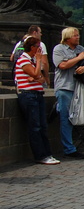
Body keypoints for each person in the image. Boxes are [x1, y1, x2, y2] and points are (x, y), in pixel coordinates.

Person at [15, 36, 58, 165]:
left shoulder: (32, 61)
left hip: (37, 94)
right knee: (35, 127)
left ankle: (47, 153)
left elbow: (41, 78)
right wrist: (38, 62)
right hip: (28, 95)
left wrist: (36, 76)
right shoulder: (24, 60)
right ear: (32, 47)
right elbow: (35, 74)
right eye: (38, 47)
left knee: (43, 126)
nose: (39, 50)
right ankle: (40, 155)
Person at [52, 27, 84, 159]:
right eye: (75, 35)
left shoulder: (81, 49)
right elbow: (62, 66)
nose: (78, 37)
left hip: (79, 87)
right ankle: (69, 149)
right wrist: (78, 59)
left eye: (78, 35)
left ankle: (71, 145)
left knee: (77, 116)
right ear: (68, 37)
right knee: (66, 118)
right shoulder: (59, 49)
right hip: (65, 87)